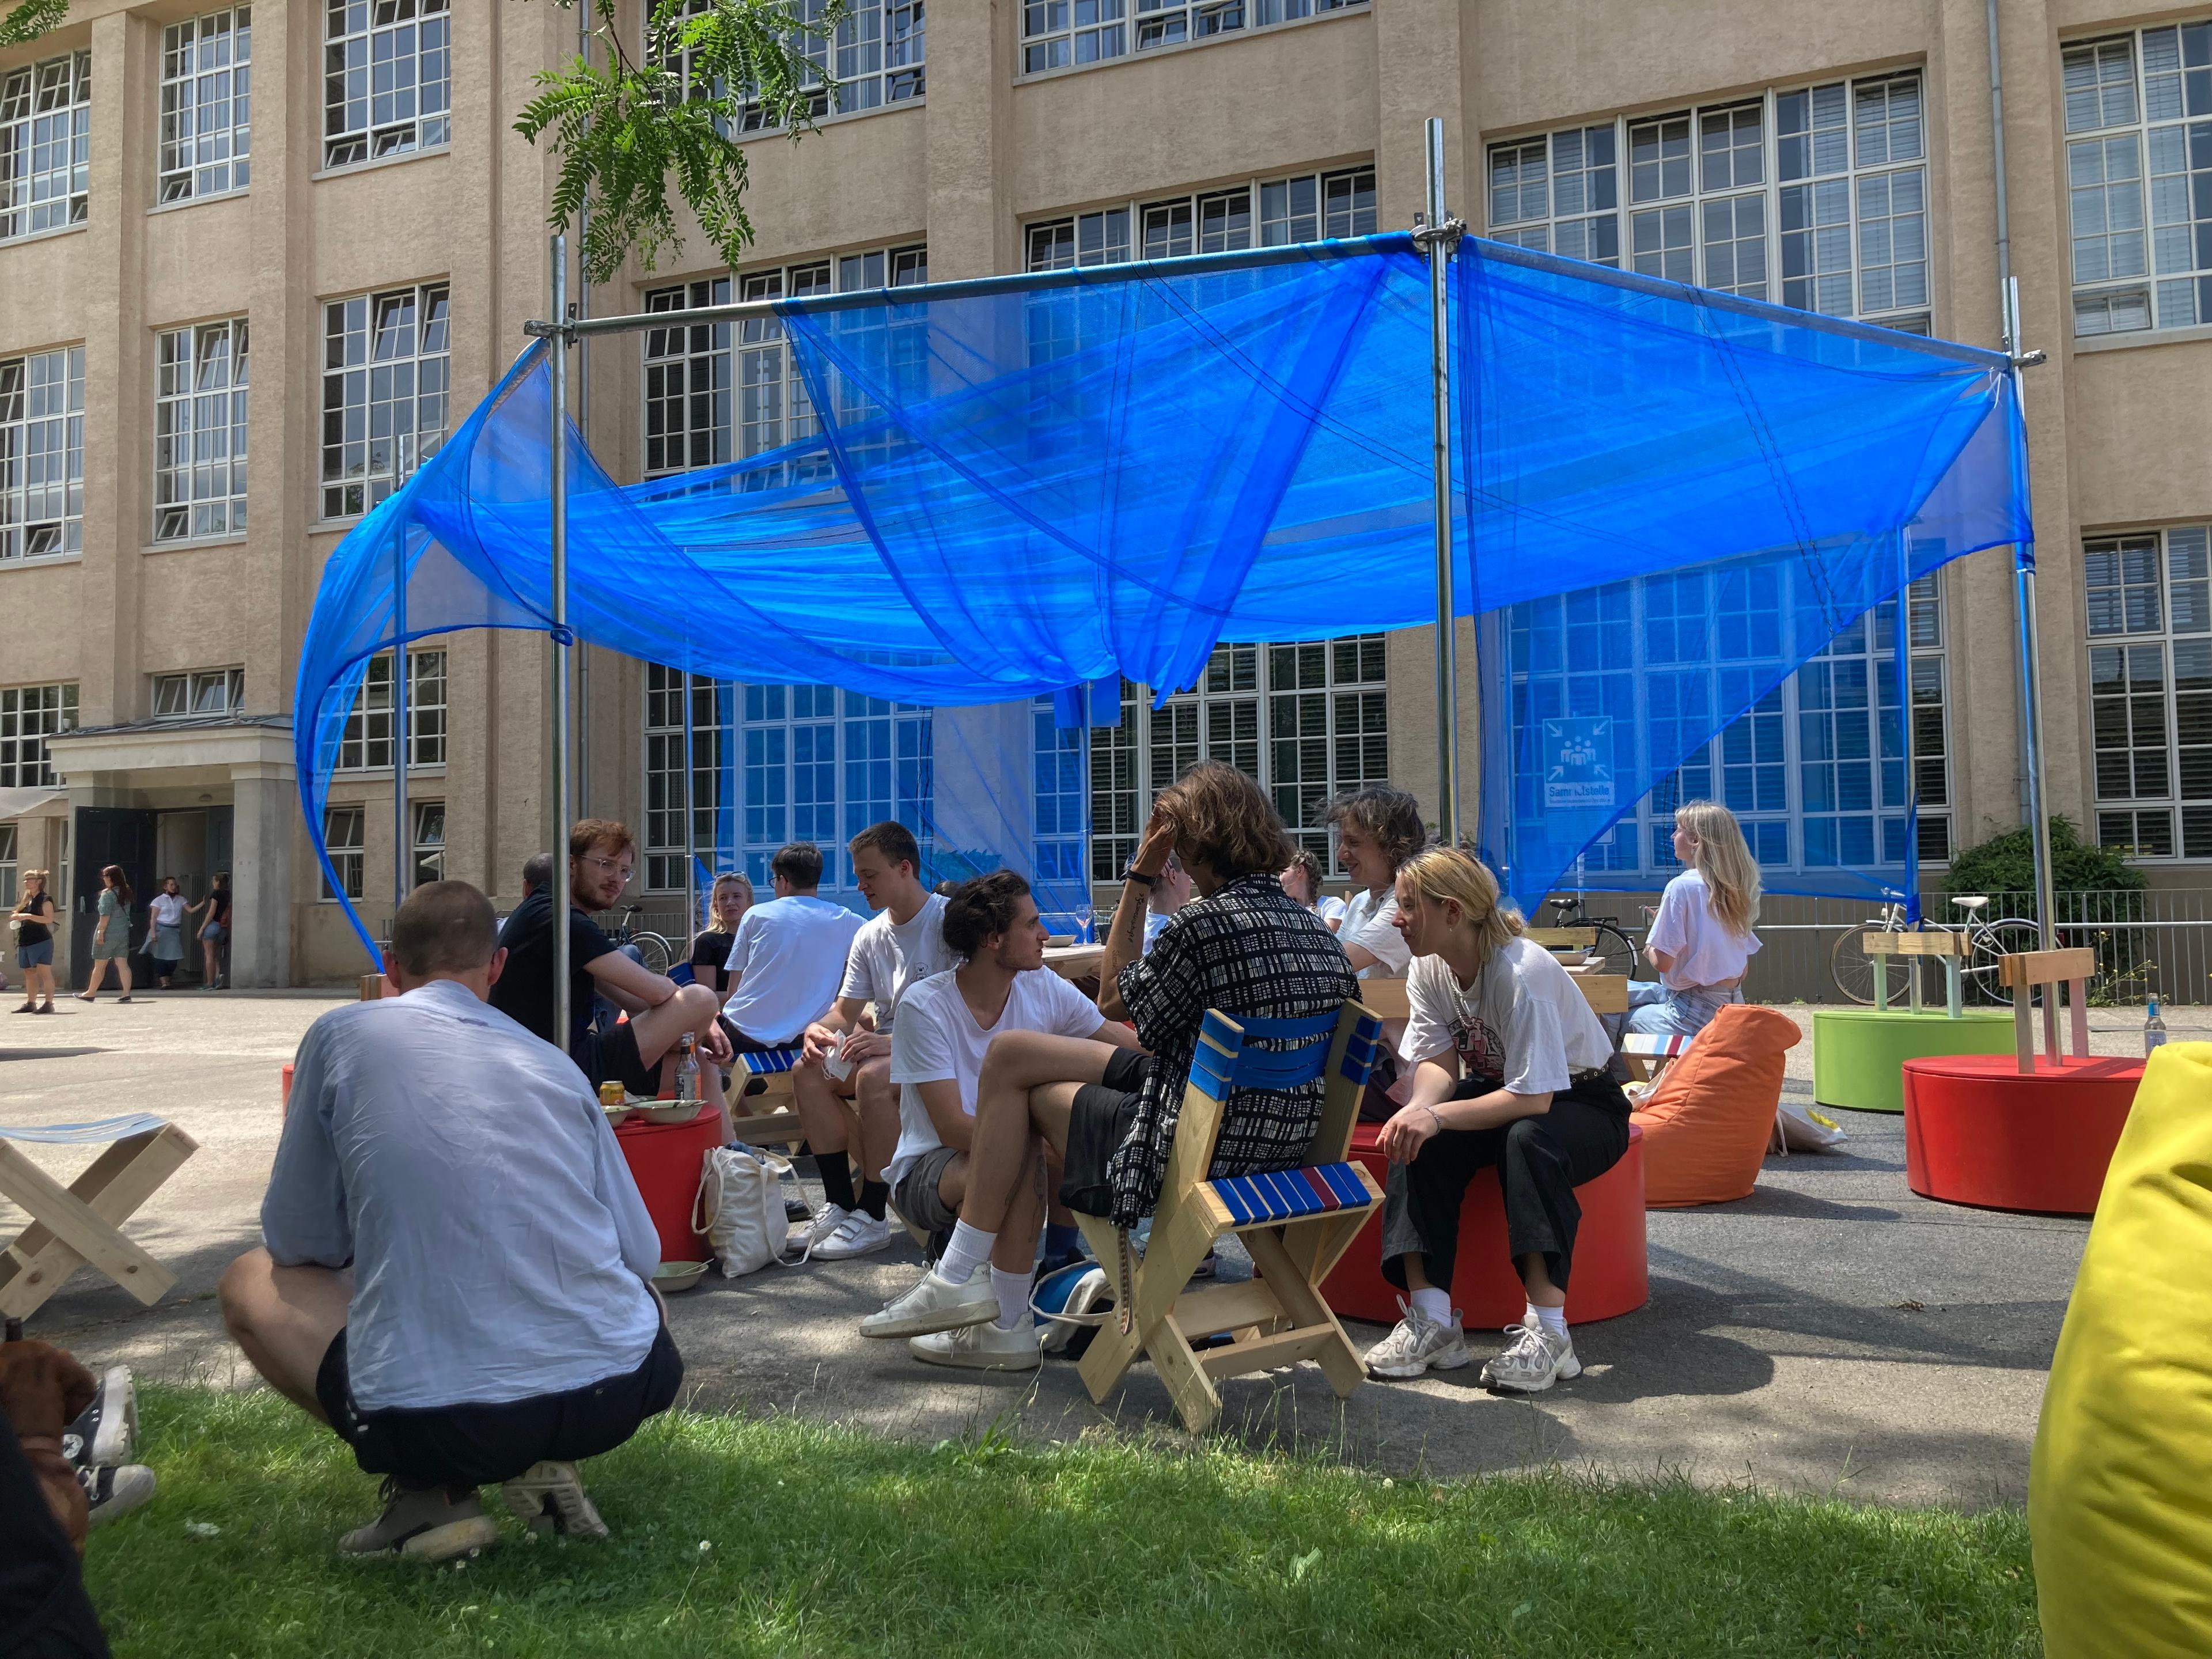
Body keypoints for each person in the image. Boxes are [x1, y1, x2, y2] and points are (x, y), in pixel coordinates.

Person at [218, 881, 681, 1561]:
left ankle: (428, 1499)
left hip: (440, 1418)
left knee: (249, 1277)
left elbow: (300, 1238)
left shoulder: (341, 1034)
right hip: (617, 1391)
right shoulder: (554, 1065)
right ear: (496, 966)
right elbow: (640, 1254)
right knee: (643, 1295)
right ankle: (534, 1454)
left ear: (390, 966)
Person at [859, 761, 1357, 1353]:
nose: (1176, 859)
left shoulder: (1203, 928)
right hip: (1293, 1150)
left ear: (1197, 842)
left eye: (1178, 844)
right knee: (1025, 1069)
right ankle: (1001, 1305)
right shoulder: (1318, 934)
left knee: (1020, 1071)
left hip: (1196, 1149)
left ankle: (971, 1286)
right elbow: (1134, 1037)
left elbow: (1114, 999)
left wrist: (1140, 876)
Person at [1361, 848, 1631, 1393]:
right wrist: (1420, 1112)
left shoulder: (1520, 973)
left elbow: (1534, 1100)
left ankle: (1549, 1334)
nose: (1396, 919)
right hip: (1510, 1090)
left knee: (1528, 1141)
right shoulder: (1428, 965)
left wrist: (1437, 1115)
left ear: (1452, 912)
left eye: (1409, 906)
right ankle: (1433, 1322)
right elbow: (1437, 1065)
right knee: (1418, 1136)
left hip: (1585, 1101)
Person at [869, 870, 1141, 1369]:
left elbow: (1117, 1040)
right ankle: (1008, 1321)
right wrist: (1032, 1135)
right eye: (1032, 924)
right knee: (1030, 1140)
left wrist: (1184, 1062)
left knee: (1039, 1131)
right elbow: (951, 1128)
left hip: (1001, 1165)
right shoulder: (924, 1006)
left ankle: (986, 1304)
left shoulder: (1040, 985)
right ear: (992, 939)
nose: (1045, 935)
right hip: (931, 1170)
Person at [791, 822, 951, 1262]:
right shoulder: (869, 934)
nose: (860, 885)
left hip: (944, 1050)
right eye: (858, 875)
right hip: (891, 1048)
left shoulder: (948, 922)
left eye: (869, 874)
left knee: (875, 1076)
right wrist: (818, 1029)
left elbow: (972, 1010)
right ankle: (841, 1204)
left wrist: (897, 1043)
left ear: (904, 869)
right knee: (808, 1070)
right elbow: (845, 1012)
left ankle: (875, 1214)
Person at [488, 820, 732, 1099]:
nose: (617, 879)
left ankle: (717, 1135)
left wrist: (692, 1024)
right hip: (559, 1068)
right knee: (701, 998)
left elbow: (634, 1000)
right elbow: (658, 992)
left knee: (700, 1060)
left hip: (541, 1062)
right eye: (606, 864)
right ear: (571, 864)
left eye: (624, 870)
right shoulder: (561, 919)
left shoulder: (545, 910)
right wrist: (703, 1018)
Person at [1626, 800, 1763, 1038]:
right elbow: (1741, 970)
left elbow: (1662, 963)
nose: (1672, 836)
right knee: (1629, 993)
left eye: (1678, 830)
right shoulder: (1734, 889)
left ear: (1696, 840)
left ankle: (1620, 1067)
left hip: (1692, 1011)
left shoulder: (1681, 886)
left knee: (1617, 1015)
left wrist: (1651, 944)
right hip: (1731, 1005)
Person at [719, 843, 864, 1054]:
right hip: (804, 1039)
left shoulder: (756, 915)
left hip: (743, 1035)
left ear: (783, 881)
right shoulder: (846, 920)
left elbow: (734, 989)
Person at [1323, 786, 1423, 979]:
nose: (1340, 854)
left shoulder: (1408, 904)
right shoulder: (1360, 902)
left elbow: (1334, 963)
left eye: (1353, 842)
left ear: (1392, 846)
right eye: (1341, 842)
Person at [685, 872, 753, 997]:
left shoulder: (759, 938)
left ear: (749, 901)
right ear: (716, 905)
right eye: (723, 898)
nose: (730, 902)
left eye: (737, 896)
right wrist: (750, 997)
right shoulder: (708, 941)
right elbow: (707, 996)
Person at [75, 867, 134, 1005]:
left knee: (100, 965)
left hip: (108, 933)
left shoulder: (107, 895)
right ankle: (126, 993)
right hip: (122, 933)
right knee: (122, 964)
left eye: (105, 876)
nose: (103, 879)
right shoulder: (126, 892)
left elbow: (105, 917)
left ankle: (90, 993)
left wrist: (100, 934)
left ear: (110, 878)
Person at [11, 868, 59, 1014]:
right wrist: (17, 917)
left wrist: (28, 916)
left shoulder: (45, 899)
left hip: (41, 941)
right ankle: (31, 1003)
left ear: (39, 882)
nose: (26, 882)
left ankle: (49, 1004)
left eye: (29, 879)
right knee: (29, 972)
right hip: (25, 940)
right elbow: (21, 914)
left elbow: (49, 919)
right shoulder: (27, 899)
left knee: (44, 972)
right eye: (25, 879)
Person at [1280, 850, 1346, 933]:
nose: (1279, 879)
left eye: (1282, 873)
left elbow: (1325, 936)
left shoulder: (1332, 905)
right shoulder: (1283, 909)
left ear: (1299, 870)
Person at [185, 872, 230, 990]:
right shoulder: (228, 894)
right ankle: (218, 978)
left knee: (209, 955)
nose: (212, 883)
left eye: (214, 881)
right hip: (223, 927)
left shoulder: (216, 894)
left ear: (218, 882)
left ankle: (210, 983)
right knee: (215, 955)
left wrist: (202, 929)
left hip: (213, 925)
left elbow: (211, 912)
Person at [1141, 852, 1192, 953]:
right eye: (1188, 876)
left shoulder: (1140, 920)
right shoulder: (1177, 931)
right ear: (1173, 876)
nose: (1191, 883)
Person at [143, 878, 187, 991]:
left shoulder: (180, 899)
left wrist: (203, 903)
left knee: (173, 957)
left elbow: (191, 910)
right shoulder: (158, 901)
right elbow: (153, 918)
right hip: (161, 929)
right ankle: (164, 982)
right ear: (165, 887)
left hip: (174, 930)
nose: (174, 887)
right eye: (171, 885)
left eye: (175, 885)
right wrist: (153, 932)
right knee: (160, 956)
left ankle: (168, 978)